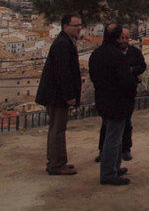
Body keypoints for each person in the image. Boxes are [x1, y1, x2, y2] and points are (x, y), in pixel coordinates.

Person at [89, 23, 137, 185]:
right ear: (117, 37)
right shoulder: (118, 56)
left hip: (103, 100)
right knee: (114, 139)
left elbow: (94, 77)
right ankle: (109, 173)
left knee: (112, 136)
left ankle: (114, 167)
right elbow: (126, 81)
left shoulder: (96, 54)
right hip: (118, 102)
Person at [35, 13, 83, 175]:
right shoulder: (63, 44)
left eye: (80, 25)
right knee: (58, 129)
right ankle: (57, 165)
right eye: (75, 25)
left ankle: (56, 161)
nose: (79, 28)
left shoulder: (64, 41)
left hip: (53, 94)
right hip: (57, 95)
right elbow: (63, 73)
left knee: (55, 128)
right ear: (65, 26)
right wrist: (69, 95)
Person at [95, 27, 146, 162]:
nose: (124, 40)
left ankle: (125, 149)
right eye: (121, 38)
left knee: (126, 123)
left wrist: (132, 71)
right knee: (108, 126)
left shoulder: (134, 52)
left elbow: (142, 66)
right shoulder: (113, 54)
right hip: (113, 96)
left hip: (125, 95)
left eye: (126, 38)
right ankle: (105, 154)